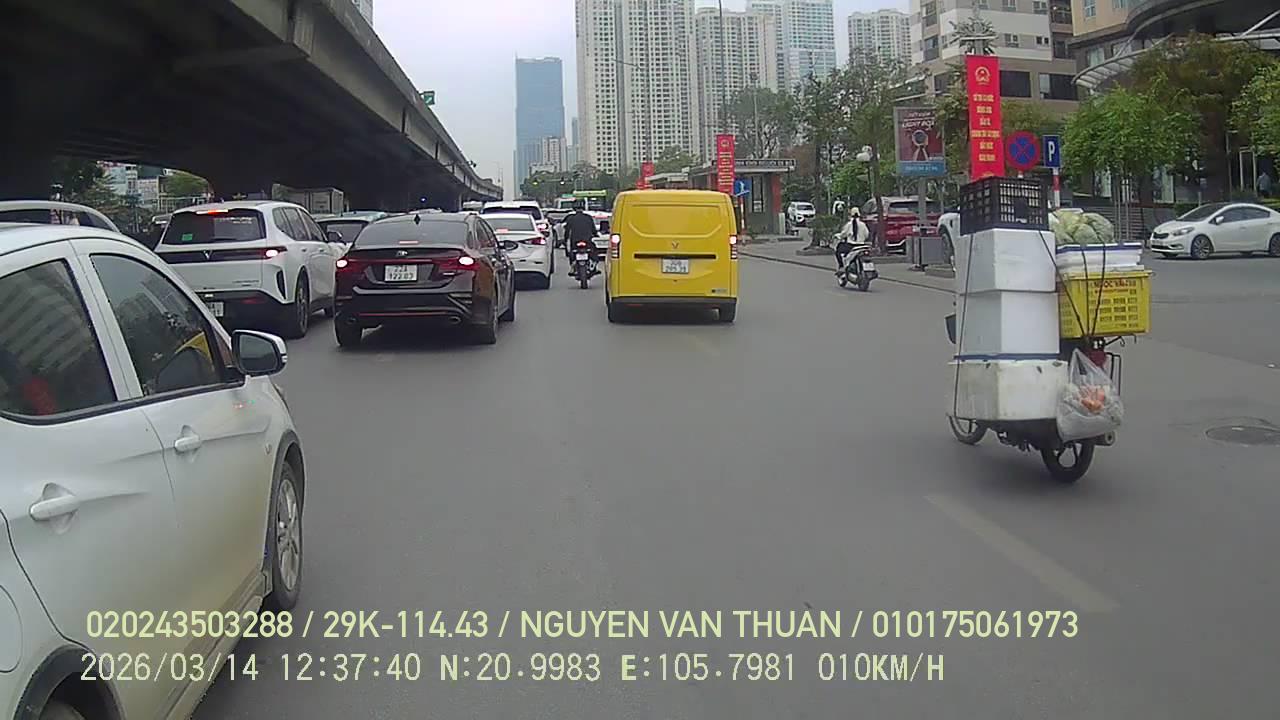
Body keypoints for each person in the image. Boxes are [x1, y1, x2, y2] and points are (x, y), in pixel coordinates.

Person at [563, 200, 601, 271]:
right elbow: (593, 230)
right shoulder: (588, 217)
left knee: (572, 252)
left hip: (575, 241)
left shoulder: (570, 218)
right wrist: (596, 235)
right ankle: (593, 266)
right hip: (587, 240)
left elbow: (567, 231)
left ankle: (573, 266)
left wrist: (565, 240)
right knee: (594, 251)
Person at [834, 207, 869, 273]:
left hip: (851, 246)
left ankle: (841, 267)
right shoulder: (863, 225)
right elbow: (867, 235)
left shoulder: (849, 225)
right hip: (862, 245)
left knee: (838, 251)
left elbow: (843, 234)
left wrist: (839, 236)